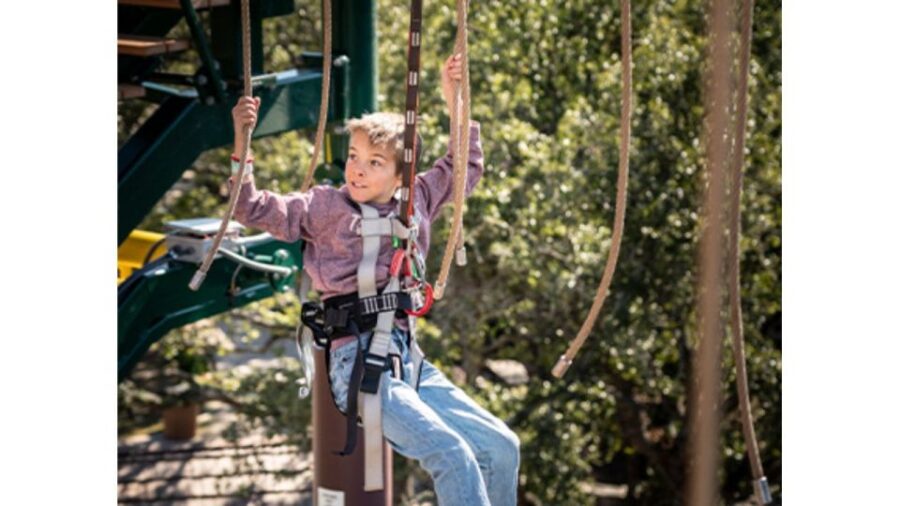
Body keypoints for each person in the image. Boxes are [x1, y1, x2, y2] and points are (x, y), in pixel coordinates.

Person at [227, 53, 519, 505]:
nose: (357, 169)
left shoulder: (418, 197)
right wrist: (242, 141)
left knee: (501, 448)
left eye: (375, 162)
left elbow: (466, 167)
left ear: (401, 172)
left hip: (407, 358)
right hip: (357, 363)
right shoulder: (324, 208)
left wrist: (454, 99)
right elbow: (251, 207)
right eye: (354, 157)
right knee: (453, 454)